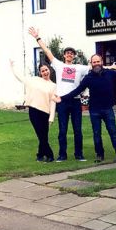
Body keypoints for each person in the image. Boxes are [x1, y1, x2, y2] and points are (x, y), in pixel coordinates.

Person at [60, 54, 116, 163]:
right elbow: (77, 90)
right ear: (91, 64)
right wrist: (62, 98)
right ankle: (99, 155)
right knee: (96, 134)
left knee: (113, 132)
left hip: (107, 109)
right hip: (94, 110)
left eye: (98, 61)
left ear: (101, 62)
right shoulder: (88, 78)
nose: (96, 64)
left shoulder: (109, 73)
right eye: (94, 62)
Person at [29, 27, 88, 162]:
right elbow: (47, 51)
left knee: (77, 130)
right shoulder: (58, 65)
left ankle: (79, 154)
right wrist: (37, 38)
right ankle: (62, 155)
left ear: (74, 56)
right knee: (62, 130)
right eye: (67, 53)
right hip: (62, 102)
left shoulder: (79, 67)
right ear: (64, 55)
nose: (69, 55)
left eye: (71, 53)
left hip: (75, 101)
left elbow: (97, 68)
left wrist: (112, 68)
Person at [9, 59, 60, 162]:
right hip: (34, 111)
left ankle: (40, 155)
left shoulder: (53, 86)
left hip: (45, 113)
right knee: (40, 135)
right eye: (43, 71)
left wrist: (51, 117)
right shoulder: (34, 80)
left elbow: (52, 102)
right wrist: (12, 67)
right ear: (40, 73)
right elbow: (21, 78)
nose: (45, 72)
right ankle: (50, 155)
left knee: (44, 136)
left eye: (46, 70)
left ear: (49, 70)